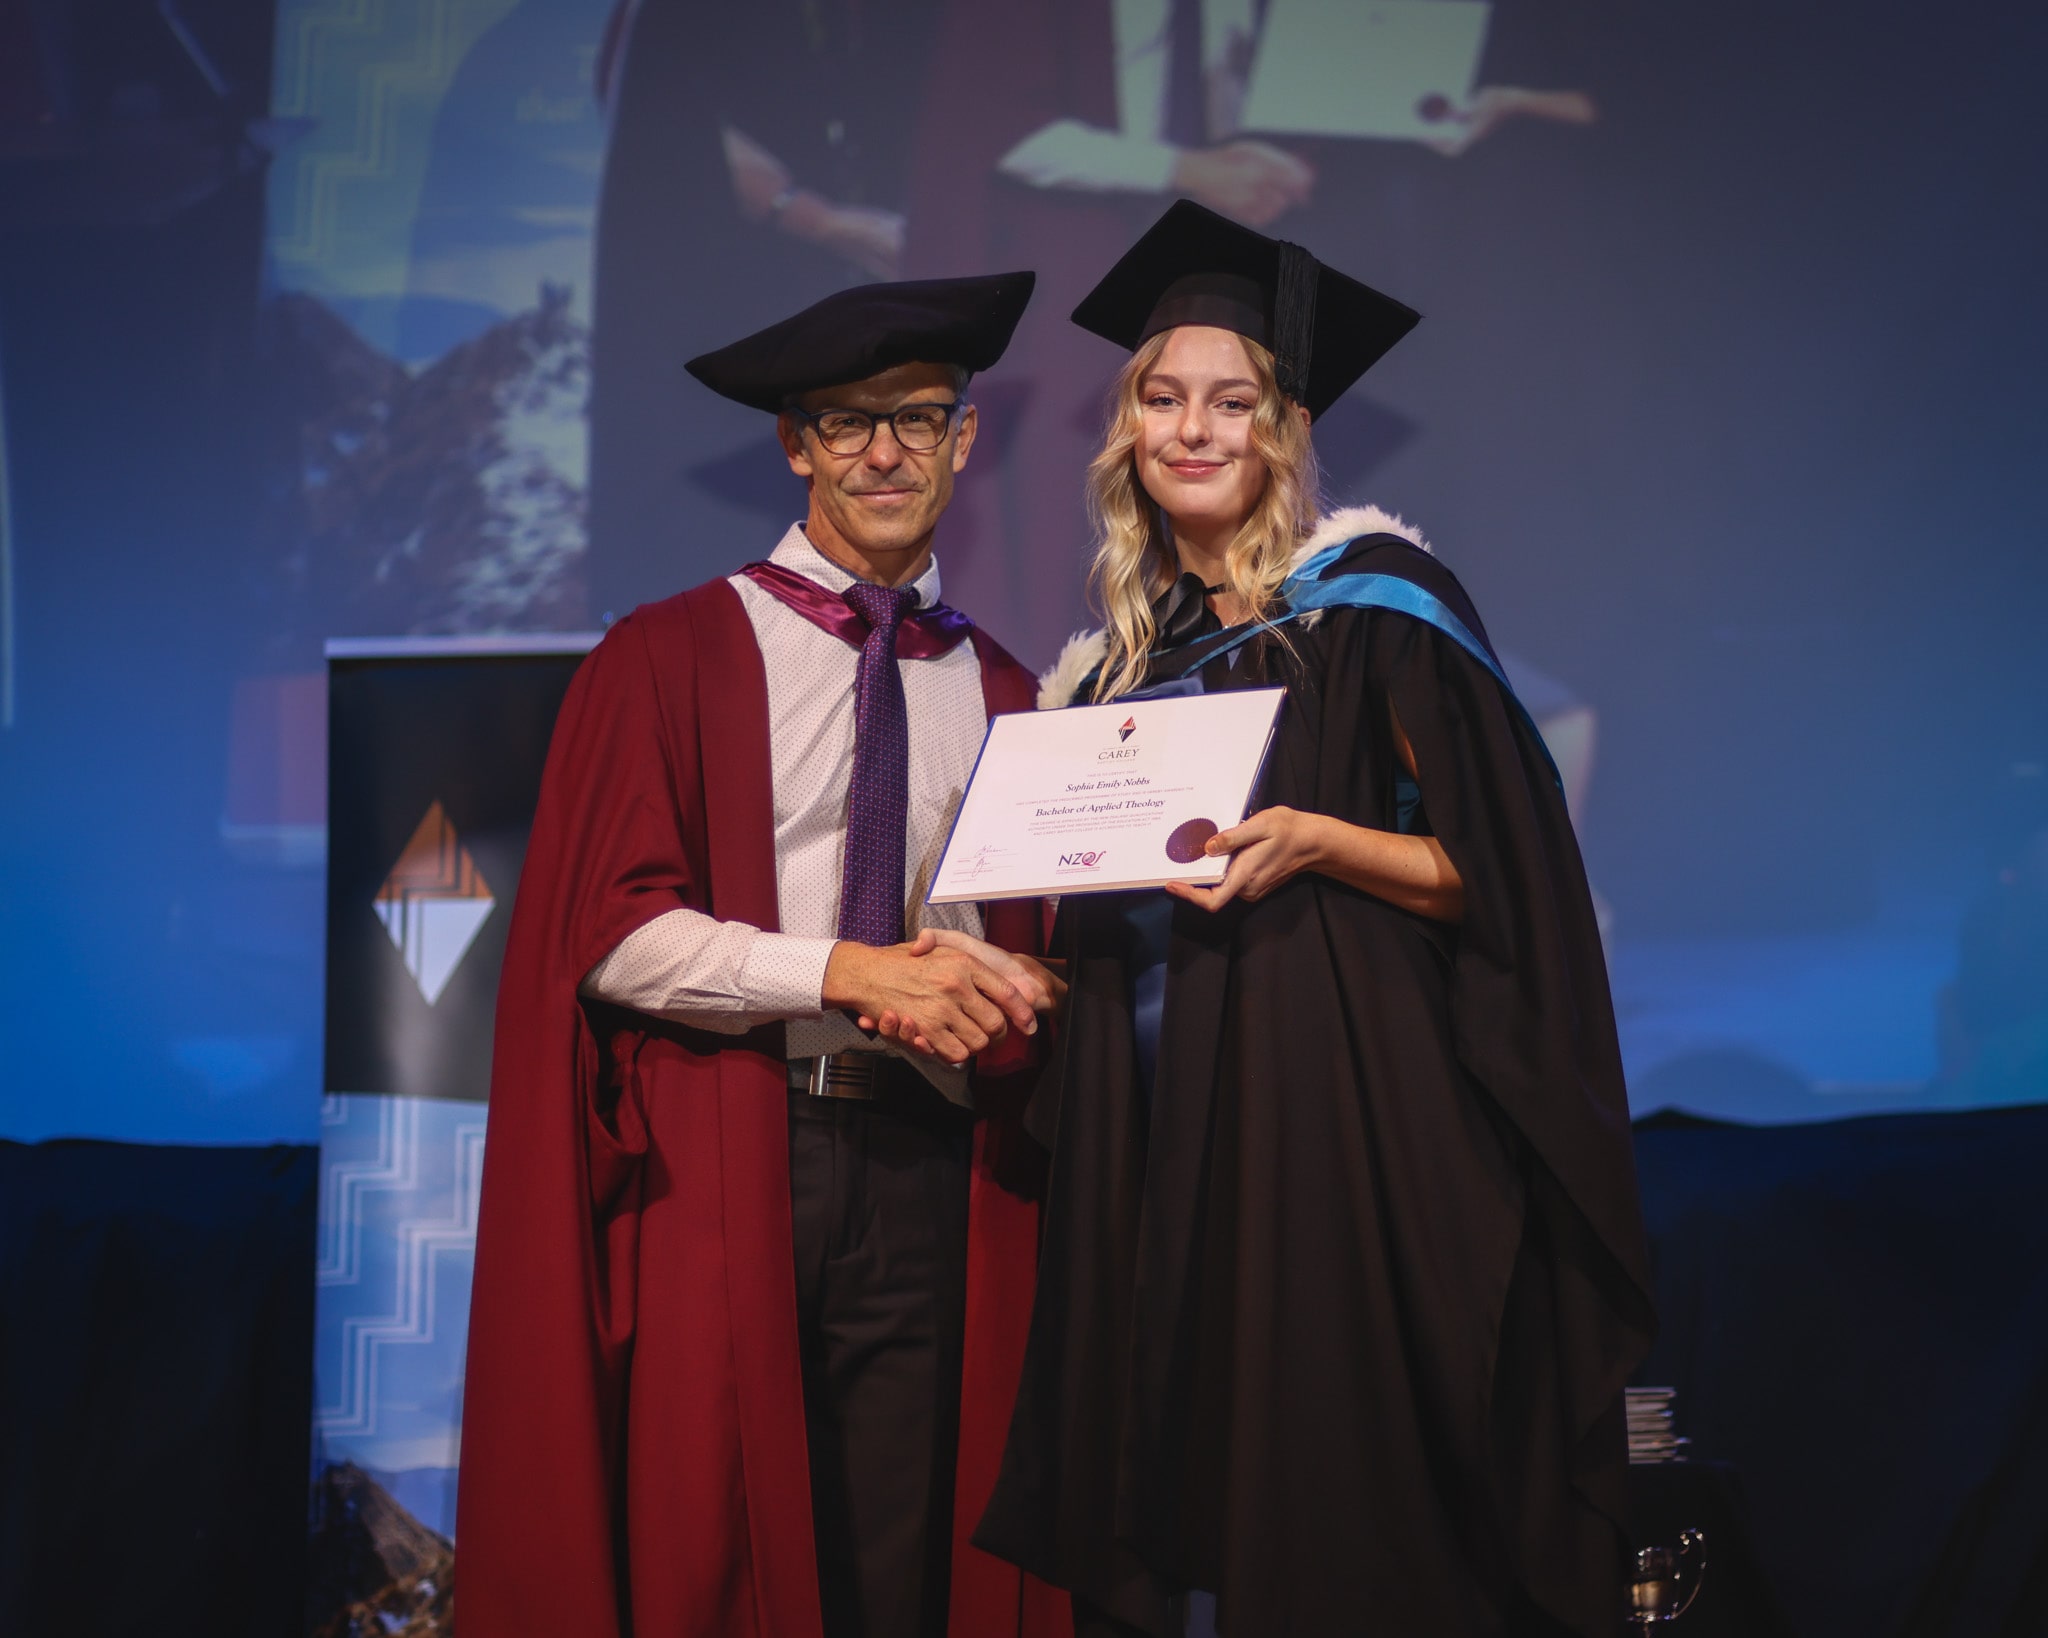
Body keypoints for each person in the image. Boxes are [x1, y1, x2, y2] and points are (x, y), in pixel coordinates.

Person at [953, 203, 1656, 1635]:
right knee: (1184, 1473)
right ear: (1127, 429)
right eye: (1163, 398)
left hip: (1335, 1118)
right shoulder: (1110, 670)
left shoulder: (1375, 610)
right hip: (1159, 1128)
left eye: (1232, 402)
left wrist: (1322, 840)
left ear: (1285, 430)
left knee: (1338, 1493)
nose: (1192, 430)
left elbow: (1502, 874)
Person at [458, 272, 1074, 1638]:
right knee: (716, 1550)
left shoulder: (1010, 692)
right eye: (847, 422)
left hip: (928, 1168)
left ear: (966, 439)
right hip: (731, 1154)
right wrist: (846, 973)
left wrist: (1025, 985)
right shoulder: (668, 655)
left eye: (918, 418)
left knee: (903, 1566)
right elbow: (610, 935)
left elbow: (1014, 941)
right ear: (796, 444)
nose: (885, 453)